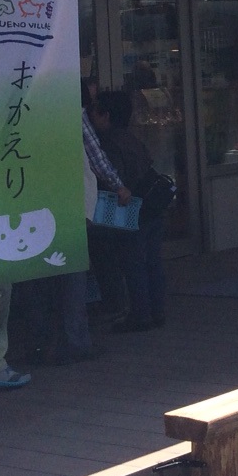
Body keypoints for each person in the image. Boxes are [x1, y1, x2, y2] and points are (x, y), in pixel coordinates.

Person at [98, 90, 168, 332]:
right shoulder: (132, 138)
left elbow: (116, 179)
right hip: (153, 202)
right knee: (152, 261)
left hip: (132, 206)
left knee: (133, 262)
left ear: (105, 116)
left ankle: (140, 314)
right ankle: (156, 311)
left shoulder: (107, 142)